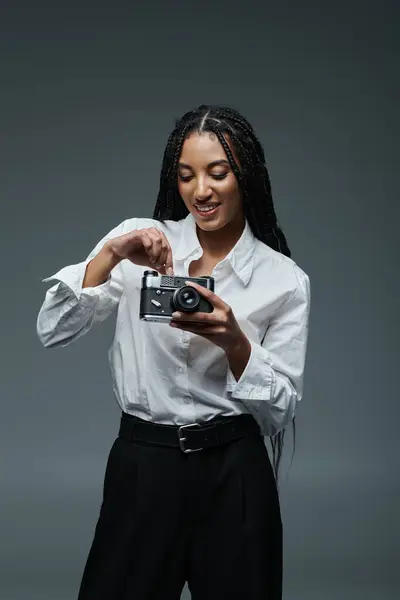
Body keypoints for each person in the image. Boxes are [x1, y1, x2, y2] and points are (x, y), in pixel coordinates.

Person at [36, 104, 311, 600]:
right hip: (143, 465)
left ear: (245, 175)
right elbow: (53, 330)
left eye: (217, 173)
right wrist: (111, 255)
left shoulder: (284, 279)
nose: (200, 191)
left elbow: (280, 412)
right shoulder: (142, 239)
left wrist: (234, 341)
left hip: (235, 473)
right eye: (186, 176)